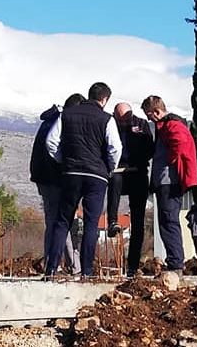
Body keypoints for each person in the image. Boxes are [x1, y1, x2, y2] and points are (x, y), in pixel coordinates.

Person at [44, 82, 122, 277]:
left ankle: (51, 268)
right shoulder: (107, 119)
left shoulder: (66, 115)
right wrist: (109, 168)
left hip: (71, 174)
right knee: (91, 224)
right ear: (104, 99)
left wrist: (64, 161)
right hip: (96, 177)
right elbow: (115, 148)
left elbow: (51, 142)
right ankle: (86, 272)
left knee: (63, 221)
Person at [141, 95, 197, 274]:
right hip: (166, 181)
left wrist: (171, 161)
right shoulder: (168, 125)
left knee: (169, 221)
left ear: (157, 111)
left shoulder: (172, 125)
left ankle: (175, 263)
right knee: (166, 222)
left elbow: (179, 144)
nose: (149, 119)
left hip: (169, 181)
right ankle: (174, 261)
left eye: (149, 115)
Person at [29, 93, 85, 275]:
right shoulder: (61, 121)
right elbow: (52, 145)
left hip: (44, 176)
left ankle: (70, 265)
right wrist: (65, 164)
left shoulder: (50, 120)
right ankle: (54, 264)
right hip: (53, 177)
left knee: (58, 222)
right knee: (57, 222)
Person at [106, 102, 154, 276]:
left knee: (138, 222)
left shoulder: (141, 124)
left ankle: (132, 266)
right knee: (114, 182)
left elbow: (150, 148)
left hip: (137, 172)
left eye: (126, 118)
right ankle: (112, 221)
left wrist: (137, 160)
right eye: (120, 119)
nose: (123, 122)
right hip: (118, 170)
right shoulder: (110, 124)